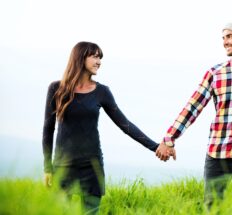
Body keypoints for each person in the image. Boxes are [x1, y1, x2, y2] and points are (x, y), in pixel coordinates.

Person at [156, 20, 232, 206]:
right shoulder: (215, 73)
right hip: (219, 152)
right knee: (212, 207)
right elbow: (193, 107)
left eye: (229, 36)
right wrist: (169, 138)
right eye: (223, 38)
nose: (224, 42)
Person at [42, 41, 158, 214]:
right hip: (63, 167)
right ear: (80, 57)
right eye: (94, 56)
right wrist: (47, 168)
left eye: (100, 57)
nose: (99, 62)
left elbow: (125, 125)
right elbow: (48, 129)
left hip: (92, 167)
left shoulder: (102, 92)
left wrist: (156, 146)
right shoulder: (56, 88)